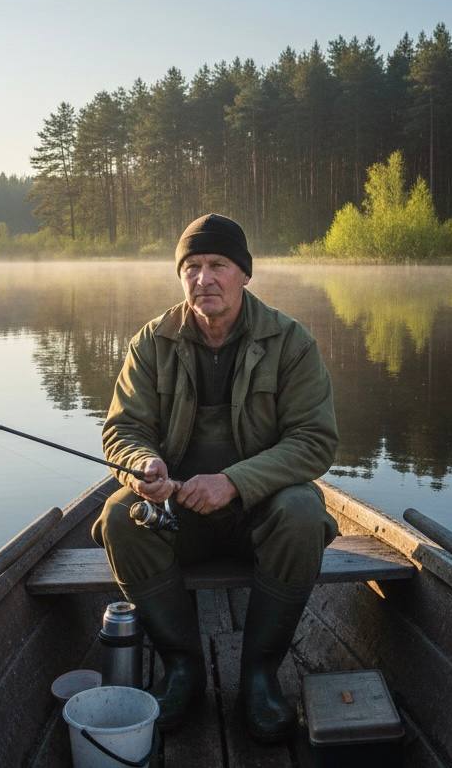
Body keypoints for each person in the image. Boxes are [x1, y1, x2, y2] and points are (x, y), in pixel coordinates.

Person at [91, 213, 338, 742]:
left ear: (244, 273)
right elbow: (123, 431)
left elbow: (314, 441)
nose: (204, 278)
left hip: (260, 516)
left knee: (302, 509)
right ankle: (183, 667)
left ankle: (259, 675)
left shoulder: (291, 342)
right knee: (117, 515)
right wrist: (141, 467)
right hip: (179, 517)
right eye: (192, 266)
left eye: (218, 265)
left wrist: (233, 482)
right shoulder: (150, 344)